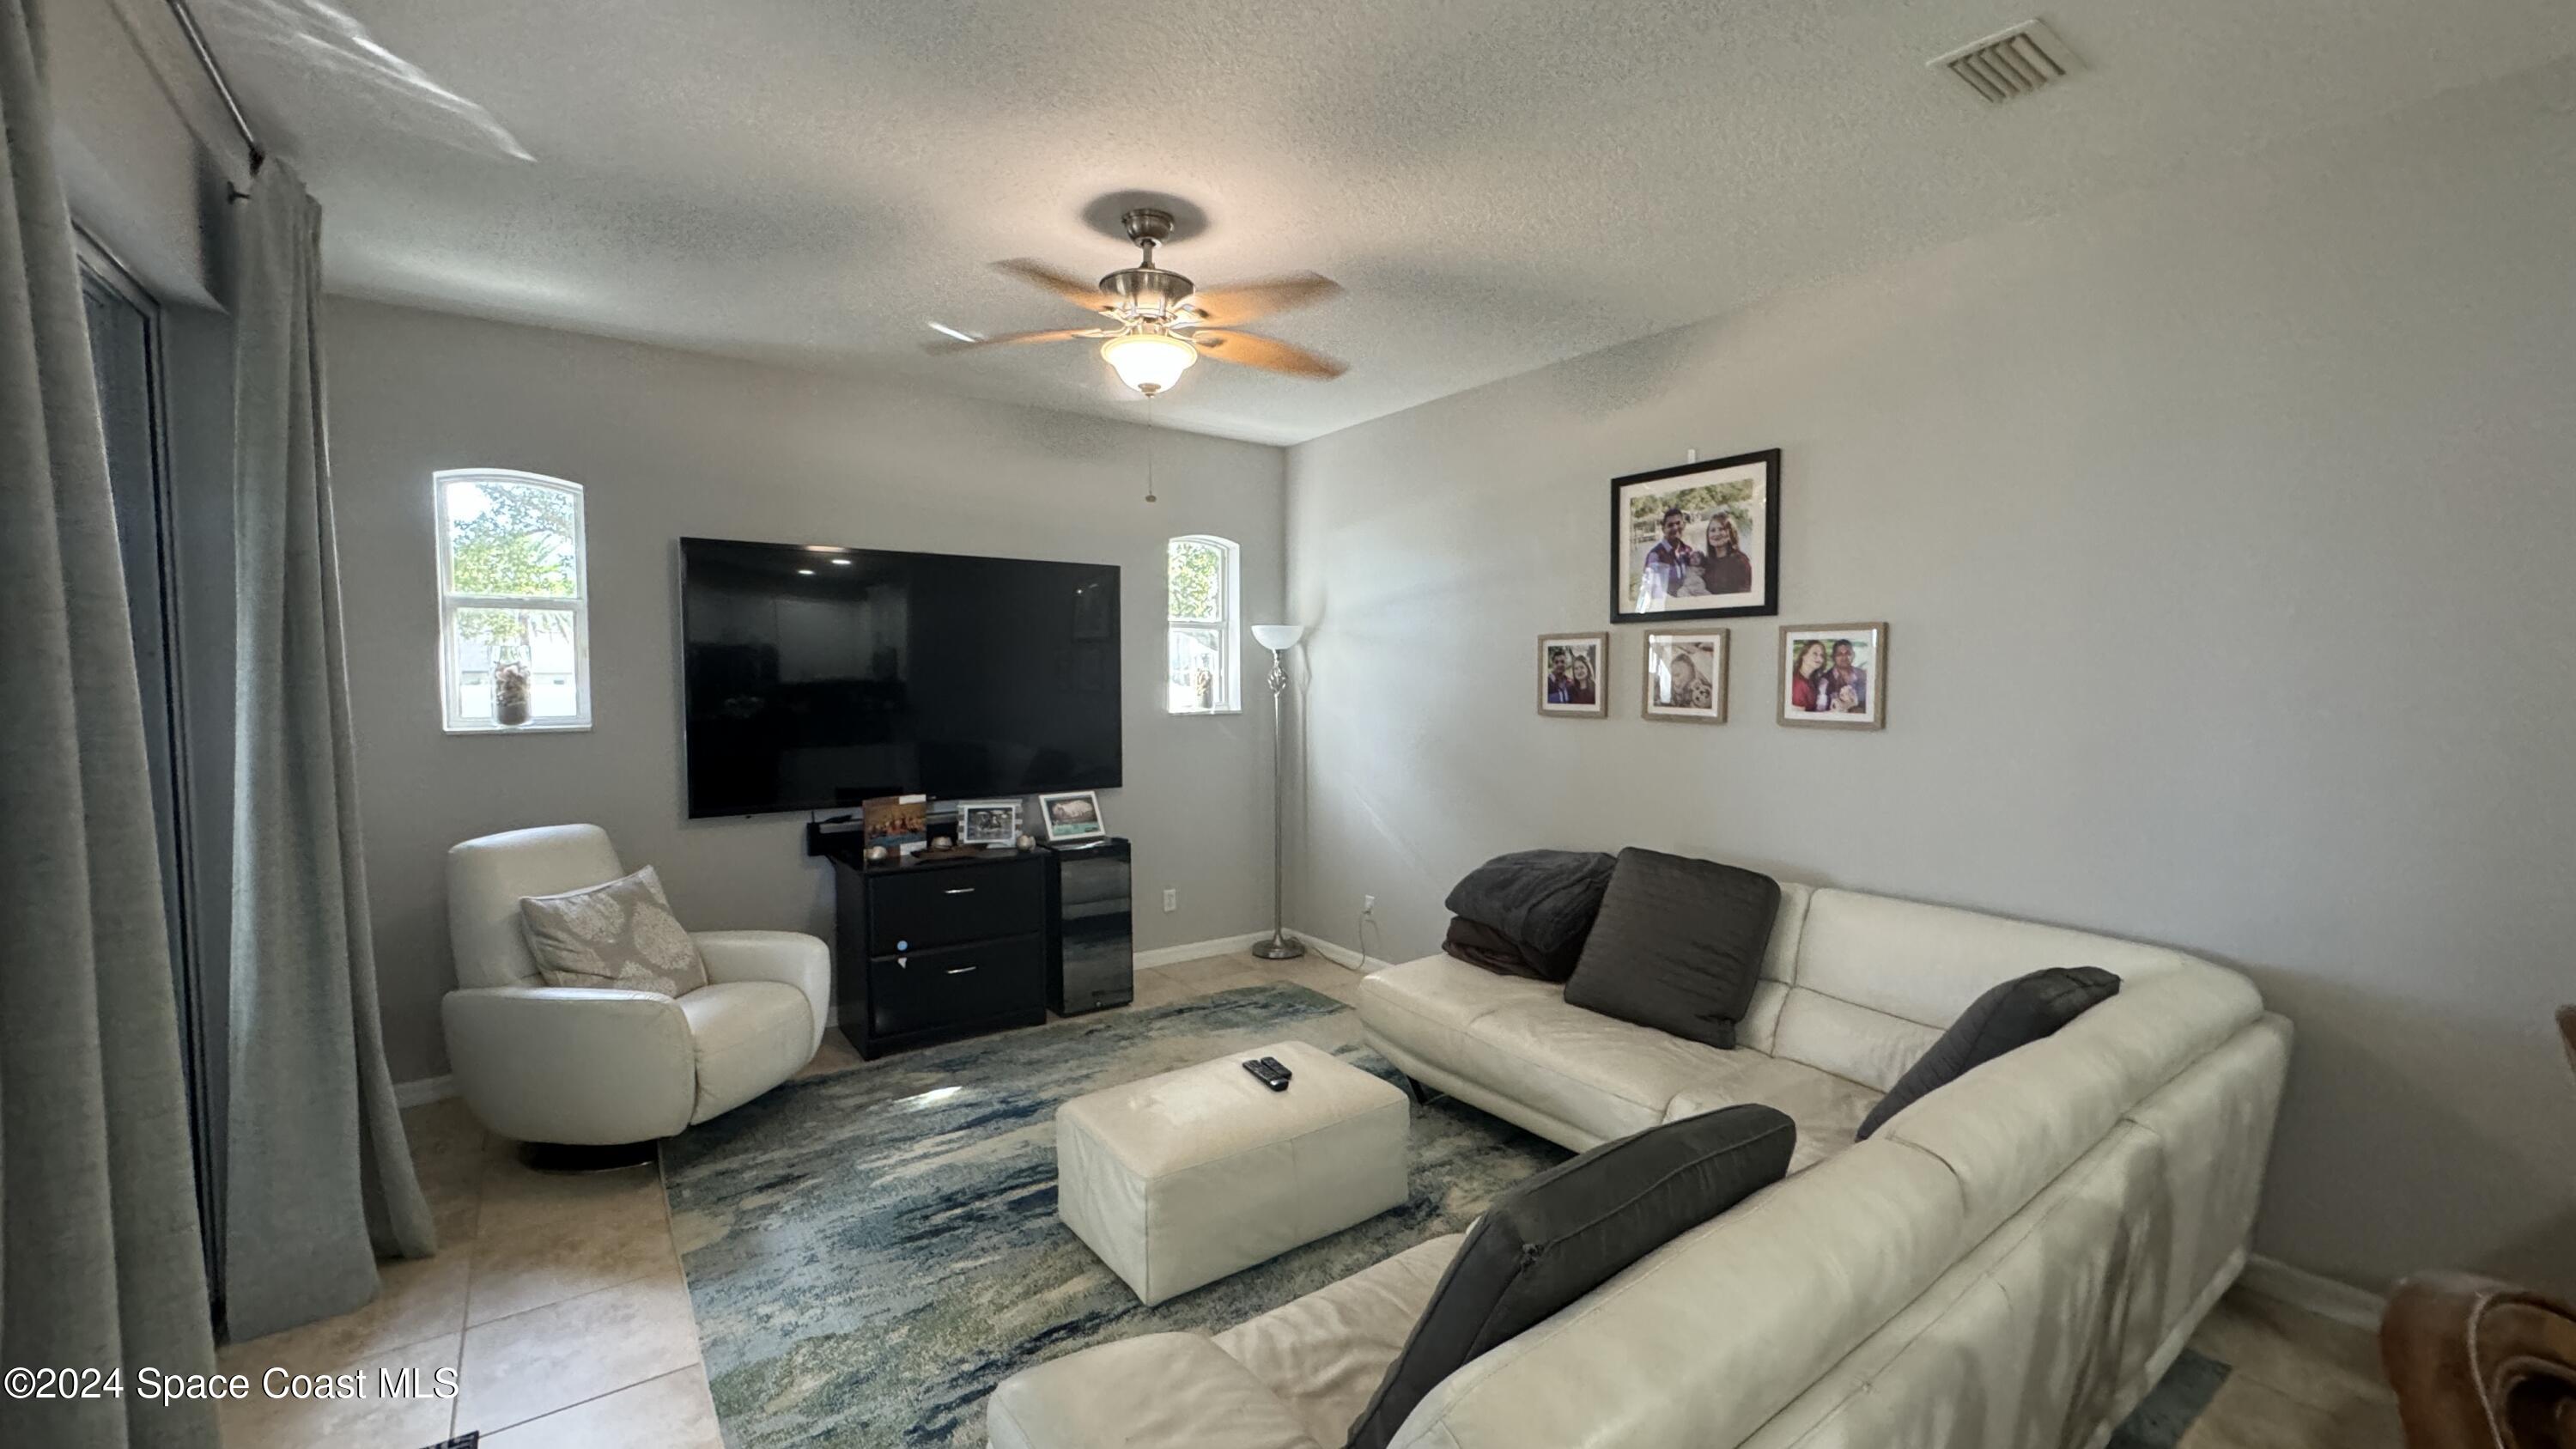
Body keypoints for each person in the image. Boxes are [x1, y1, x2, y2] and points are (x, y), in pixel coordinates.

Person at [1637, 506, 1700, 606]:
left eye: (1678, 523)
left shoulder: (1688, 551)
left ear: (1684, 525)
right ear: (1663, 529)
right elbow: (1651, 592)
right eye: (1670, 525)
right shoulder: (1655, 556)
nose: (1675, 528)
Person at [1700, 512, 1753, 597]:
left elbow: (1745, 594)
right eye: (1712, 530)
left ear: (1731, 533)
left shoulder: (1740, 561)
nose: (1717, 534)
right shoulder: (1706, 563)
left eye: (1721, 529)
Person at [1823, 639, 1868, 715]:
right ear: (1833, 657)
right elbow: (1819, 711)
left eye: (1848, 653)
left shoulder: (1863, 675)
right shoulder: (1825, 680)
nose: (1844, 657)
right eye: (1839, 654)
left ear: (1853, 655)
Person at [1789, 639, 1829, 711]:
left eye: (1822, 655)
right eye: (1815, 654)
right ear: (1803, 656)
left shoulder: (1812, 680)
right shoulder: (1798, 684)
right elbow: (1799, 719)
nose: (1819, 658)